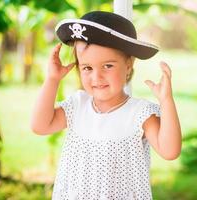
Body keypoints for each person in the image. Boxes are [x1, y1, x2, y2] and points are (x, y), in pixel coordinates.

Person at [31, 11, 181, 200]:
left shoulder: (139, 114)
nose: (97, 77)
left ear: (128, 65)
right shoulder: (78, 106)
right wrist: (52, 79)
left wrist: (166, 101)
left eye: (108, 66)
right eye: (87, 68)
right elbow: (40, 126)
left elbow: (170, 151)